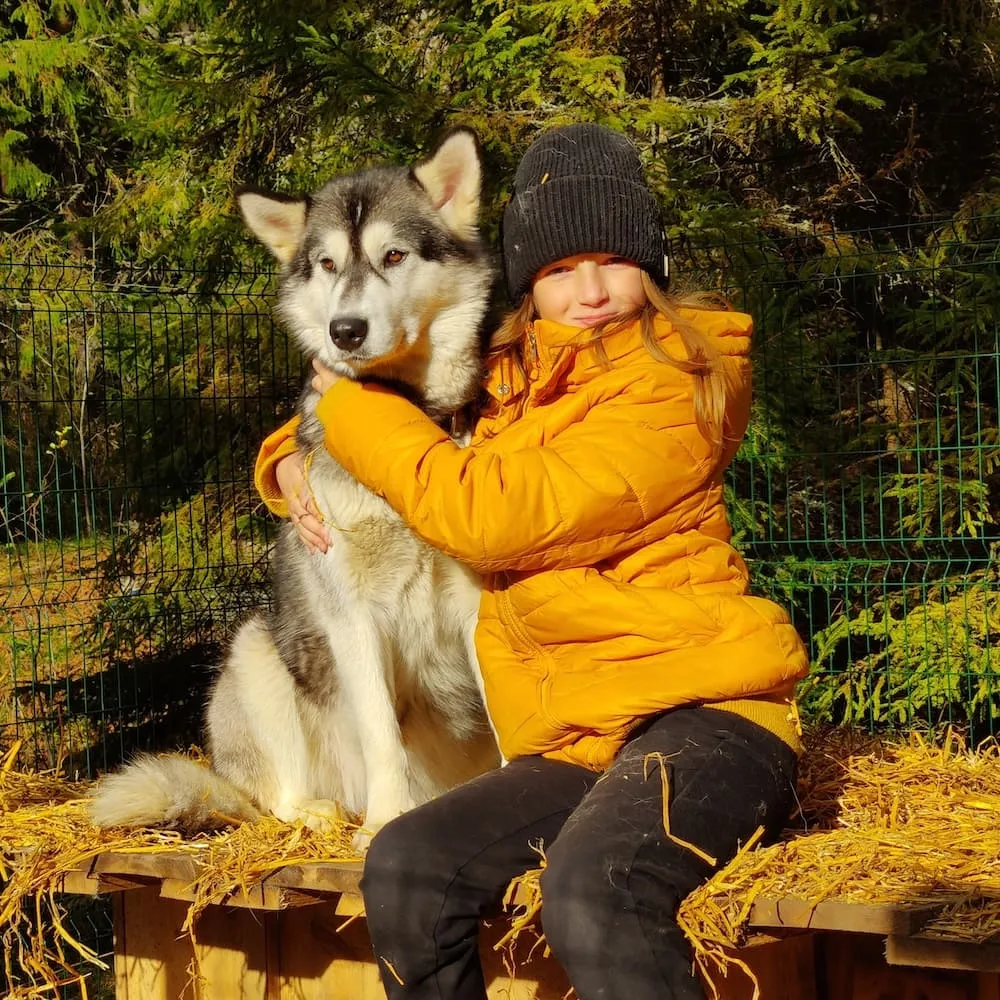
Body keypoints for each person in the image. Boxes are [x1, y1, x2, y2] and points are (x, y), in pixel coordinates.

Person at [254, 123, 810, 1000]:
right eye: (557, 270)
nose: (587, 291)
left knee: (594, 891)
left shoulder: (679, 379)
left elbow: (494, 517)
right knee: (404, 866)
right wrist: (290, 451)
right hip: (577, 734)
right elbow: (413, 397)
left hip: (704, 715)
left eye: (611, 262)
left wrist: (338, 405)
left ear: (651, 264)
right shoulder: (514, 374)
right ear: (528, 282)